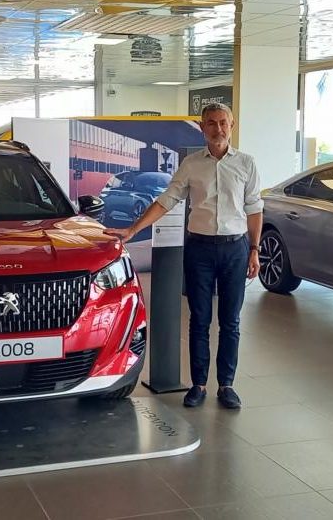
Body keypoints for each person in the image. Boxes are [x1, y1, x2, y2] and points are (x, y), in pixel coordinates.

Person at [104, 103, 262, 409]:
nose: (218, 128)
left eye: (223, 123)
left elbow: (254, 208)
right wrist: (133, 229)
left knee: (230, 321)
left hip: (235, 249)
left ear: (233, 125)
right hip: (200, 249)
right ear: (203, 127)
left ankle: (227, 385)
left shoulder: (246, 163)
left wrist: (254, 250)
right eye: (211, 123)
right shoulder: (191, 164)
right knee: (199, 320)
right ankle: (199, 384)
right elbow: (166, 199)